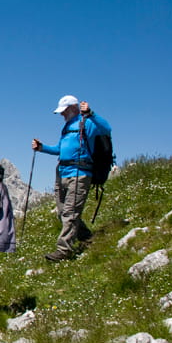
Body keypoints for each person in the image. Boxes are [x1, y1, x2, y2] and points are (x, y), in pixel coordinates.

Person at [32, 95, 112, 262]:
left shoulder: (87, 122)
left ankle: (64, 250)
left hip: (80, 172)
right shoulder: (67, 127)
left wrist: (91, 113)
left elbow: (106, 129)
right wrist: (42, 148)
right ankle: (87, 238)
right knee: (62, 212)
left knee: (70, 212)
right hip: (62, 171)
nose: (61, 115)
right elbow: (59, 149)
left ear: (73, 108)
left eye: (64, 111)